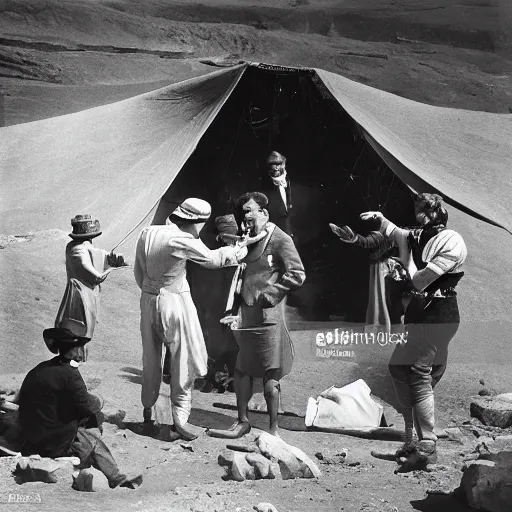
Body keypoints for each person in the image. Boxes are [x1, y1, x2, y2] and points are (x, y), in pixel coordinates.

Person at [361, 193, 467, 471]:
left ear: (437, 214)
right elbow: (401, 234)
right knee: (398, 368)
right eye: (417, 209)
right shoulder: (420, 235)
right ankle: (411, 440)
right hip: (421, 314)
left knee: (420, 374)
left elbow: (419, 281)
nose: (419, 215)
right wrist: (382, 221)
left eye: (424, 211)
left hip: (440, 314)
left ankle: (427, 446)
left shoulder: (451, 242)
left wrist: (402, 266)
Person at [134, 198, 247, 441]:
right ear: (196, 222)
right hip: (171, 304)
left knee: (150, 358)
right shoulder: (182, 240)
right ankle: (180, 421)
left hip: (148, 300)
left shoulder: (148, 232)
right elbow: (213, 259)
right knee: (181, 360)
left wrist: (152, 291)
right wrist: (240, 250)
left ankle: (147, 413)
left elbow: (139, 271)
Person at [207, 192, 306, 439]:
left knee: (271, 375)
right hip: (247, 316)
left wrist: (269, 294)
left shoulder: (280, 239)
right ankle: (243, 422)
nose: (246, 216)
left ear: (264, 213)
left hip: (269, 317)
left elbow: (297, 274)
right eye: (244, 213)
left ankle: (273, 429)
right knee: (242, 371)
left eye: (250, 211)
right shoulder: (249, 239)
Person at [17, 323, 142, 489]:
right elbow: (89, 406)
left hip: (31, 437)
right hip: (53, 442)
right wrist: (100, 400)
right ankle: (116, 478)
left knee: (80, 418)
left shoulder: (39, 369)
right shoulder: (70, 375)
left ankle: (107, 473)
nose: (80, 353)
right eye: (78, 348)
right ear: (74, 350)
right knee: (94, 427)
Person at [54, 214, 127, 361]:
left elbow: (97, 254)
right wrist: (112, 267)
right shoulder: (77, 250)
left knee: (84, 330)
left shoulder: (77, 246)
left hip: (86, 294)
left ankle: (76, 360)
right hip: (80, 295)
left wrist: (110, 257)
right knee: (79, 329)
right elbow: (96, 277)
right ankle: (74, 361)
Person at [330, 221, 406, 331]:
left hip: (389, 267)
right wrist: (354, 238)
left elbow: (368, 242)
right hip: (383, 267)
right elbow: (368, 242)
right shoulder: (382, 237)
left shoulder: (395, 236)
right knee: (383, 297)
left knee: (389, 298)